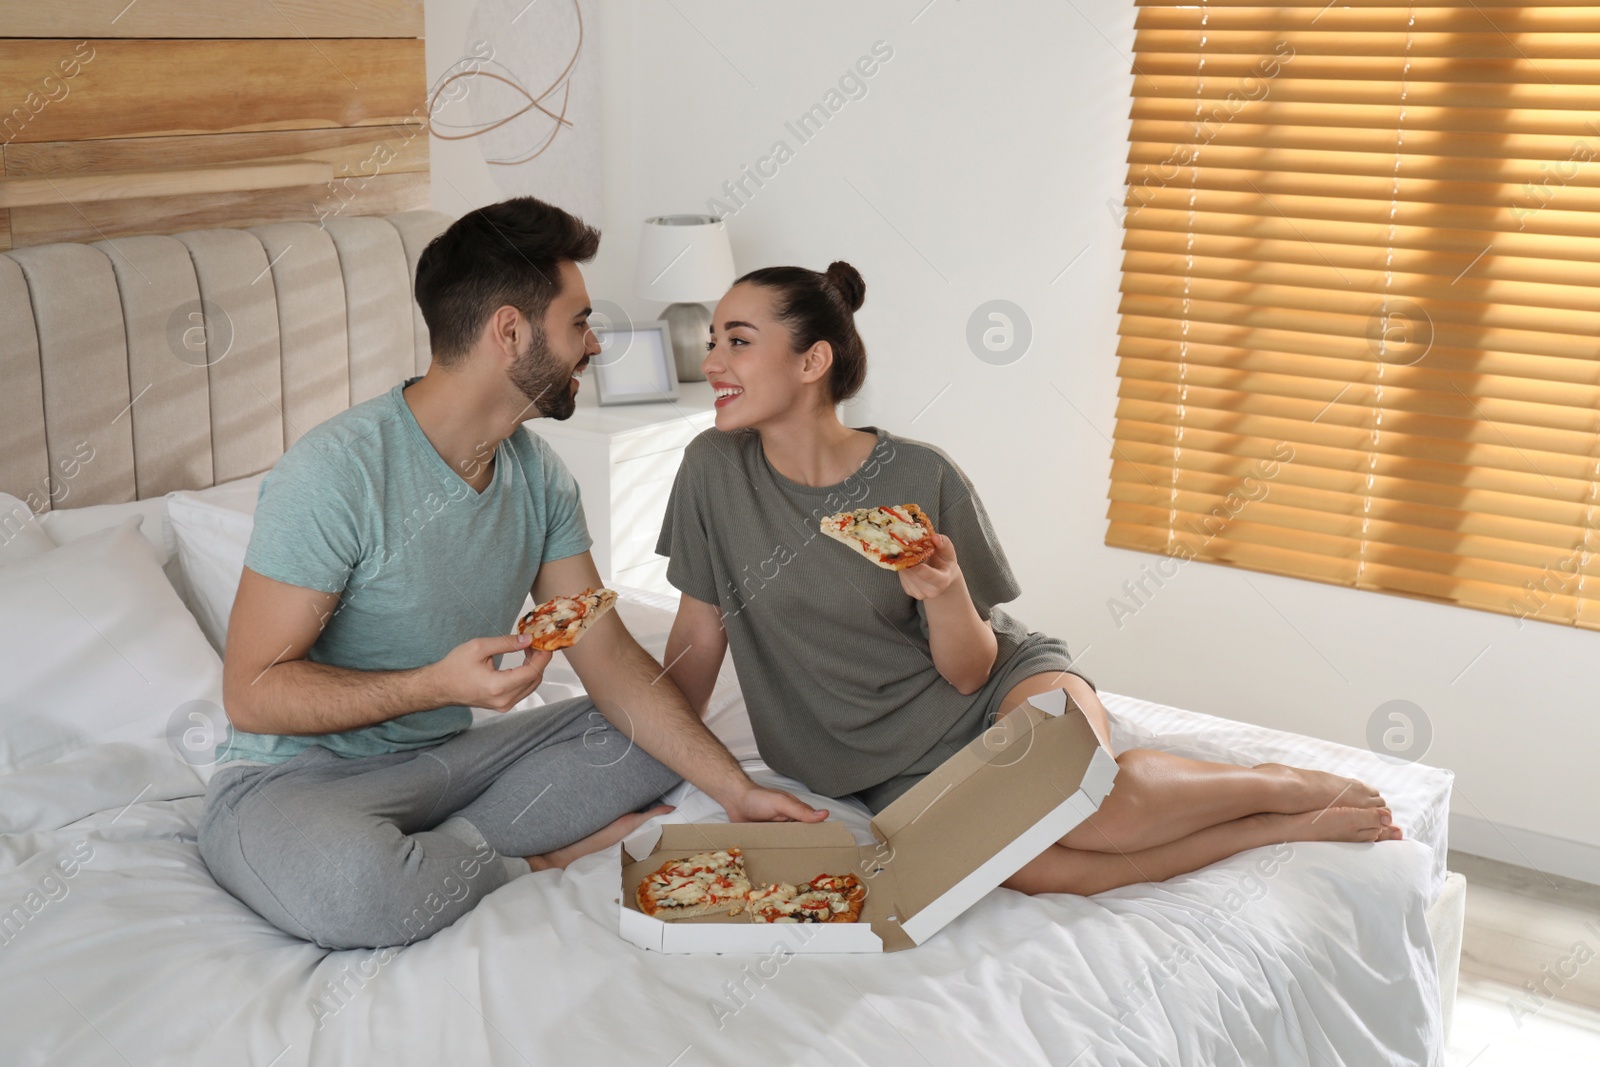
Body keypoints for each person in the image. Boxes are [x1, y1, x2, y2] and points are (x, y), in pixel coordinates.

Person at [656, 260, 1404, 898]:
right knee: (1039, 869)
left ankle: (1276, 784)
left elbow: (971, 667)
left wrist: (946, 593)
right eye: (714, 341)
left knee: (1091, 807)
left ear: (812, 361)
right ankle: (1287, 825)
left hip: (997, 684)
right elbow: (697, 633)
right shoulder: (711, 471)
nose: (712, 360)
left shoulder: (919, 474)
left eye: (738, 342)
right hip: (875, 764)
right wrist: (660, 765)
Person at [197, 197, 826, 951]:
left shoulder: (540, 477)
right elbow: (252, 691)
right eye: (580, 322)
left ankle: (449, 848)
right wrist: (436, 685)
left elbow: (611, 660)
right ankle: (527, 857)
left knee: (655, 721)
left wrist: (738, 791)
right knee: (355, 887)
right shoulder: (335, 473)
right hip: (296, 781)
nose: (593, 345)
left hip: (448, 764)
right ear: (510, 331)